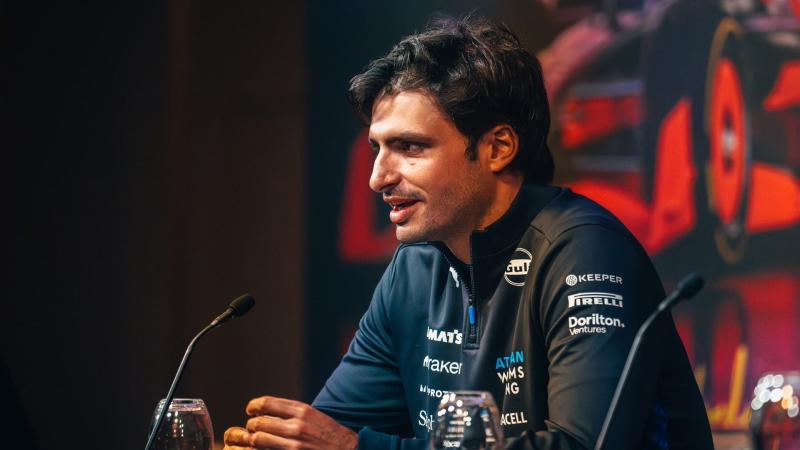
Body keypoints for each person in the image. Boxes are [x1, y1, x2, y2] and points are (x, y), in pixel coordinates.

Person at [223, 15, 713, 450]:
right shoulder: (415, 266)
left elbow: (583, 445)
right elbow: (331, 430)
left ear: (498, 148)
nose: (378, 178)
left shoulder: (587, 252)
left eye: (410, 147)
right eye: (377, 148)